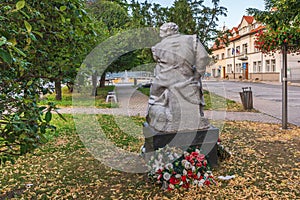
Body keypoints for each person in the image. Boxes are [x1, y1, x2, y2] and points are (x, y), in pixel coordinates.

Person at [146, 22, 210, 132]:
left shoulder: (157, 47)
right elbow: (203, 57)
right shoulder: (192, 40)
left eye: (161, 31)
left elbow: (158, 62)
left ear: (166, 32)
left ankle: (158, 116)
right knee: (196, 88)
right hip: (188, 79)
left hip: (164, 81)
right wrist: (196, 75)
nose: (160, 33)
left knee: (154, 98)